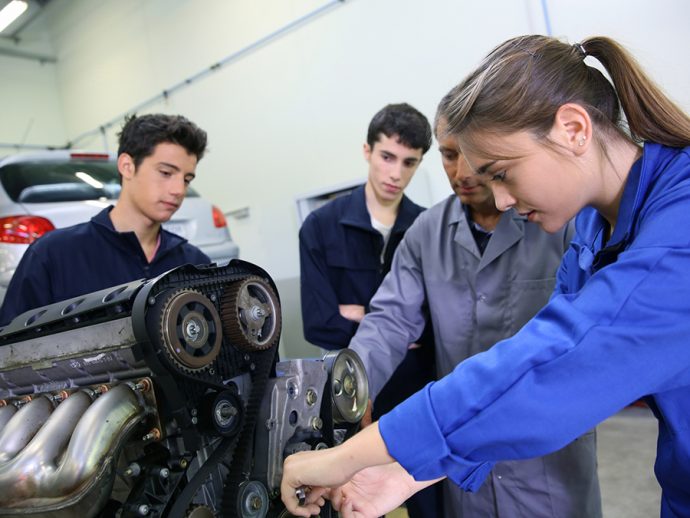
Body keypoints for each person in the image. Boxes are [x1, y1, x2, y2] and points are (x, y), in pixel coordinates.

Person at [281, 34, 690, 518]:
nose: (500, 200)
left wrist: (346, 457)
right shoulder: (591, 235)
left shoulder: (675, 229)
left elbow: (546, 366)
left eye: (501, 172)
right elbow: (514, 373)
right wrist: (403, 472)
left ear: (574, 129)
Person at [348, 90, 600, 516]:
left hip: (547, 468)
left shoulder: (560, 221)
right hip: (461, 477)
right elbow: (389, 321)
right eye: (448, 155)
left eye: (471, 156)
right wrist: (352, 386)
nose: (461, 172)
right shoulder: (426, 233)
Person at [298, 102, 439, 517]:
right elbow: (319, 322)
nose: (396, 173)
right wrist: (394, 329)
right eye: (387, 157)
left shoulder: (428, 229)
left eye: (409, 162)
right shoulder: (321, 227)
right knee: (348, 501)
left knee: (429, 502)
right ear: (367, 151)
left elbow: (438, 326)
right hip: (350, 394)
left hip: (417, 393)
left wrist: (358, 313)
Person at [0, 113, 210, 324]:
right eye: (166, 173)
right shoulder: (52, 255)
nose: (179, 190)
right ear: (127, 166)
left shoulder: (195, 264)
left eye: (187, 179)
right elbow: (10, 348)